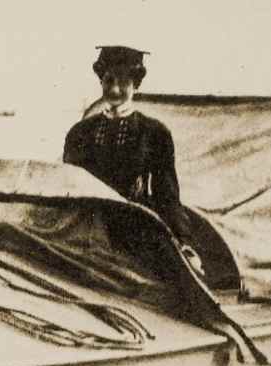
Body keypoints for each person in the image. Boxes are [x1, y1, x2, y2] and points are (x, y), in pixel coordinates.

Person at [63, 46, 199, 271]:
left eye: (124, 82)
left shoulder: (154, 133)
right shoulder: (80, 132)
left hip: (133, 228)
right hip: (86, 225)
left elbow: (167, 196)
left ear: (136, 84)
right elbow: (68, 188)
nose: (115, 89)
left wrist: (184, 243)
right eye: (109, 80)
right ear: (101, 81)